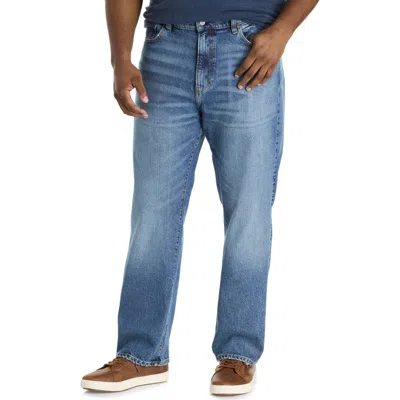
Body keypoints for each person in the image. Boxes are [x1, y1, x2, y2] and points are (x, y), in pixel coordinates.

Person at [81, 0, 318, 395]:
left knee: (248, 213)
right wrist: (119, 58)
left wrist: (282, 32)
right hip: (164, 51)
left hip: (246, 50)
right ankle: (140, 355)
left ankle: (238, 353)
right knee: (152, 213)